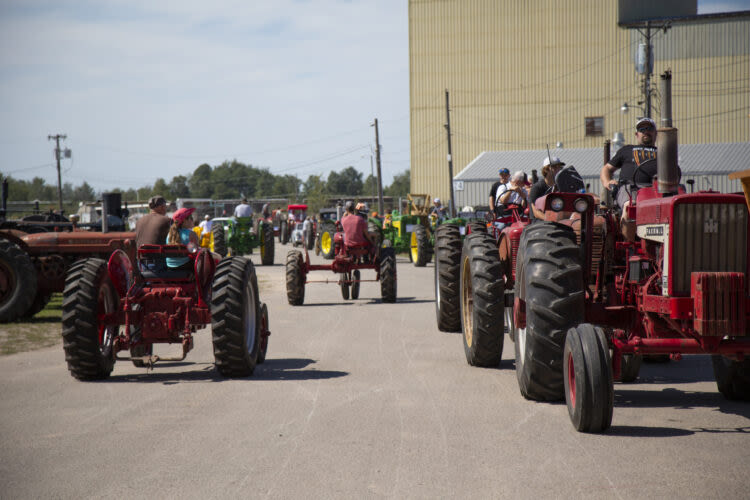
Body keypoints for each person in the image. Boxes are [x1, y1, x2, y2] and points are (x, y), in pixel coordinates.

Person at [600, 117, 658, 210]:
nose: (646, 132)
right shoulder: (627, 149)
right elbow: (606, 169)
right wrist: (607, 182)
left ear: (656, 133)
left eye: (649, 129)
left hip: (657, 189)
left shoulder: (664, 152)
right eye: (642, 130)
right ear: (637, 134)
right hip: (630, 189)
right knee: (630, 208)